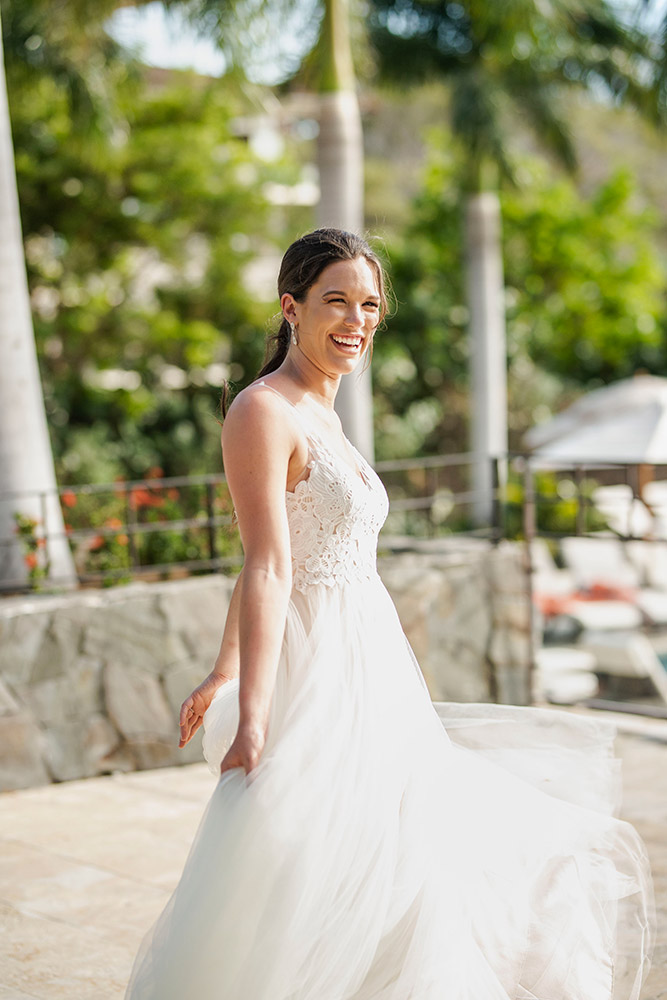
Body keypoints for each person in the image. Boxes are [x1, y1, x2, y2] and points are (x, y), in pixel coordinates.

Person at [125, 228, 654, 1000]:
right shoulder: (261, 411)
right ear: (290, 307)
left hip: (371, 665)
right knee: (311, 861)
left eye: (368, 304)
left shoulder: (323, 410)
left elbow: (283, 553)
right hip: (318, 672)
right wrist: (251, 707)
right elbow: (267, 565)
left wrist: (223, 667)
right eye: (334, 300)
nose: (355, 319)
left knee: (401, 855)